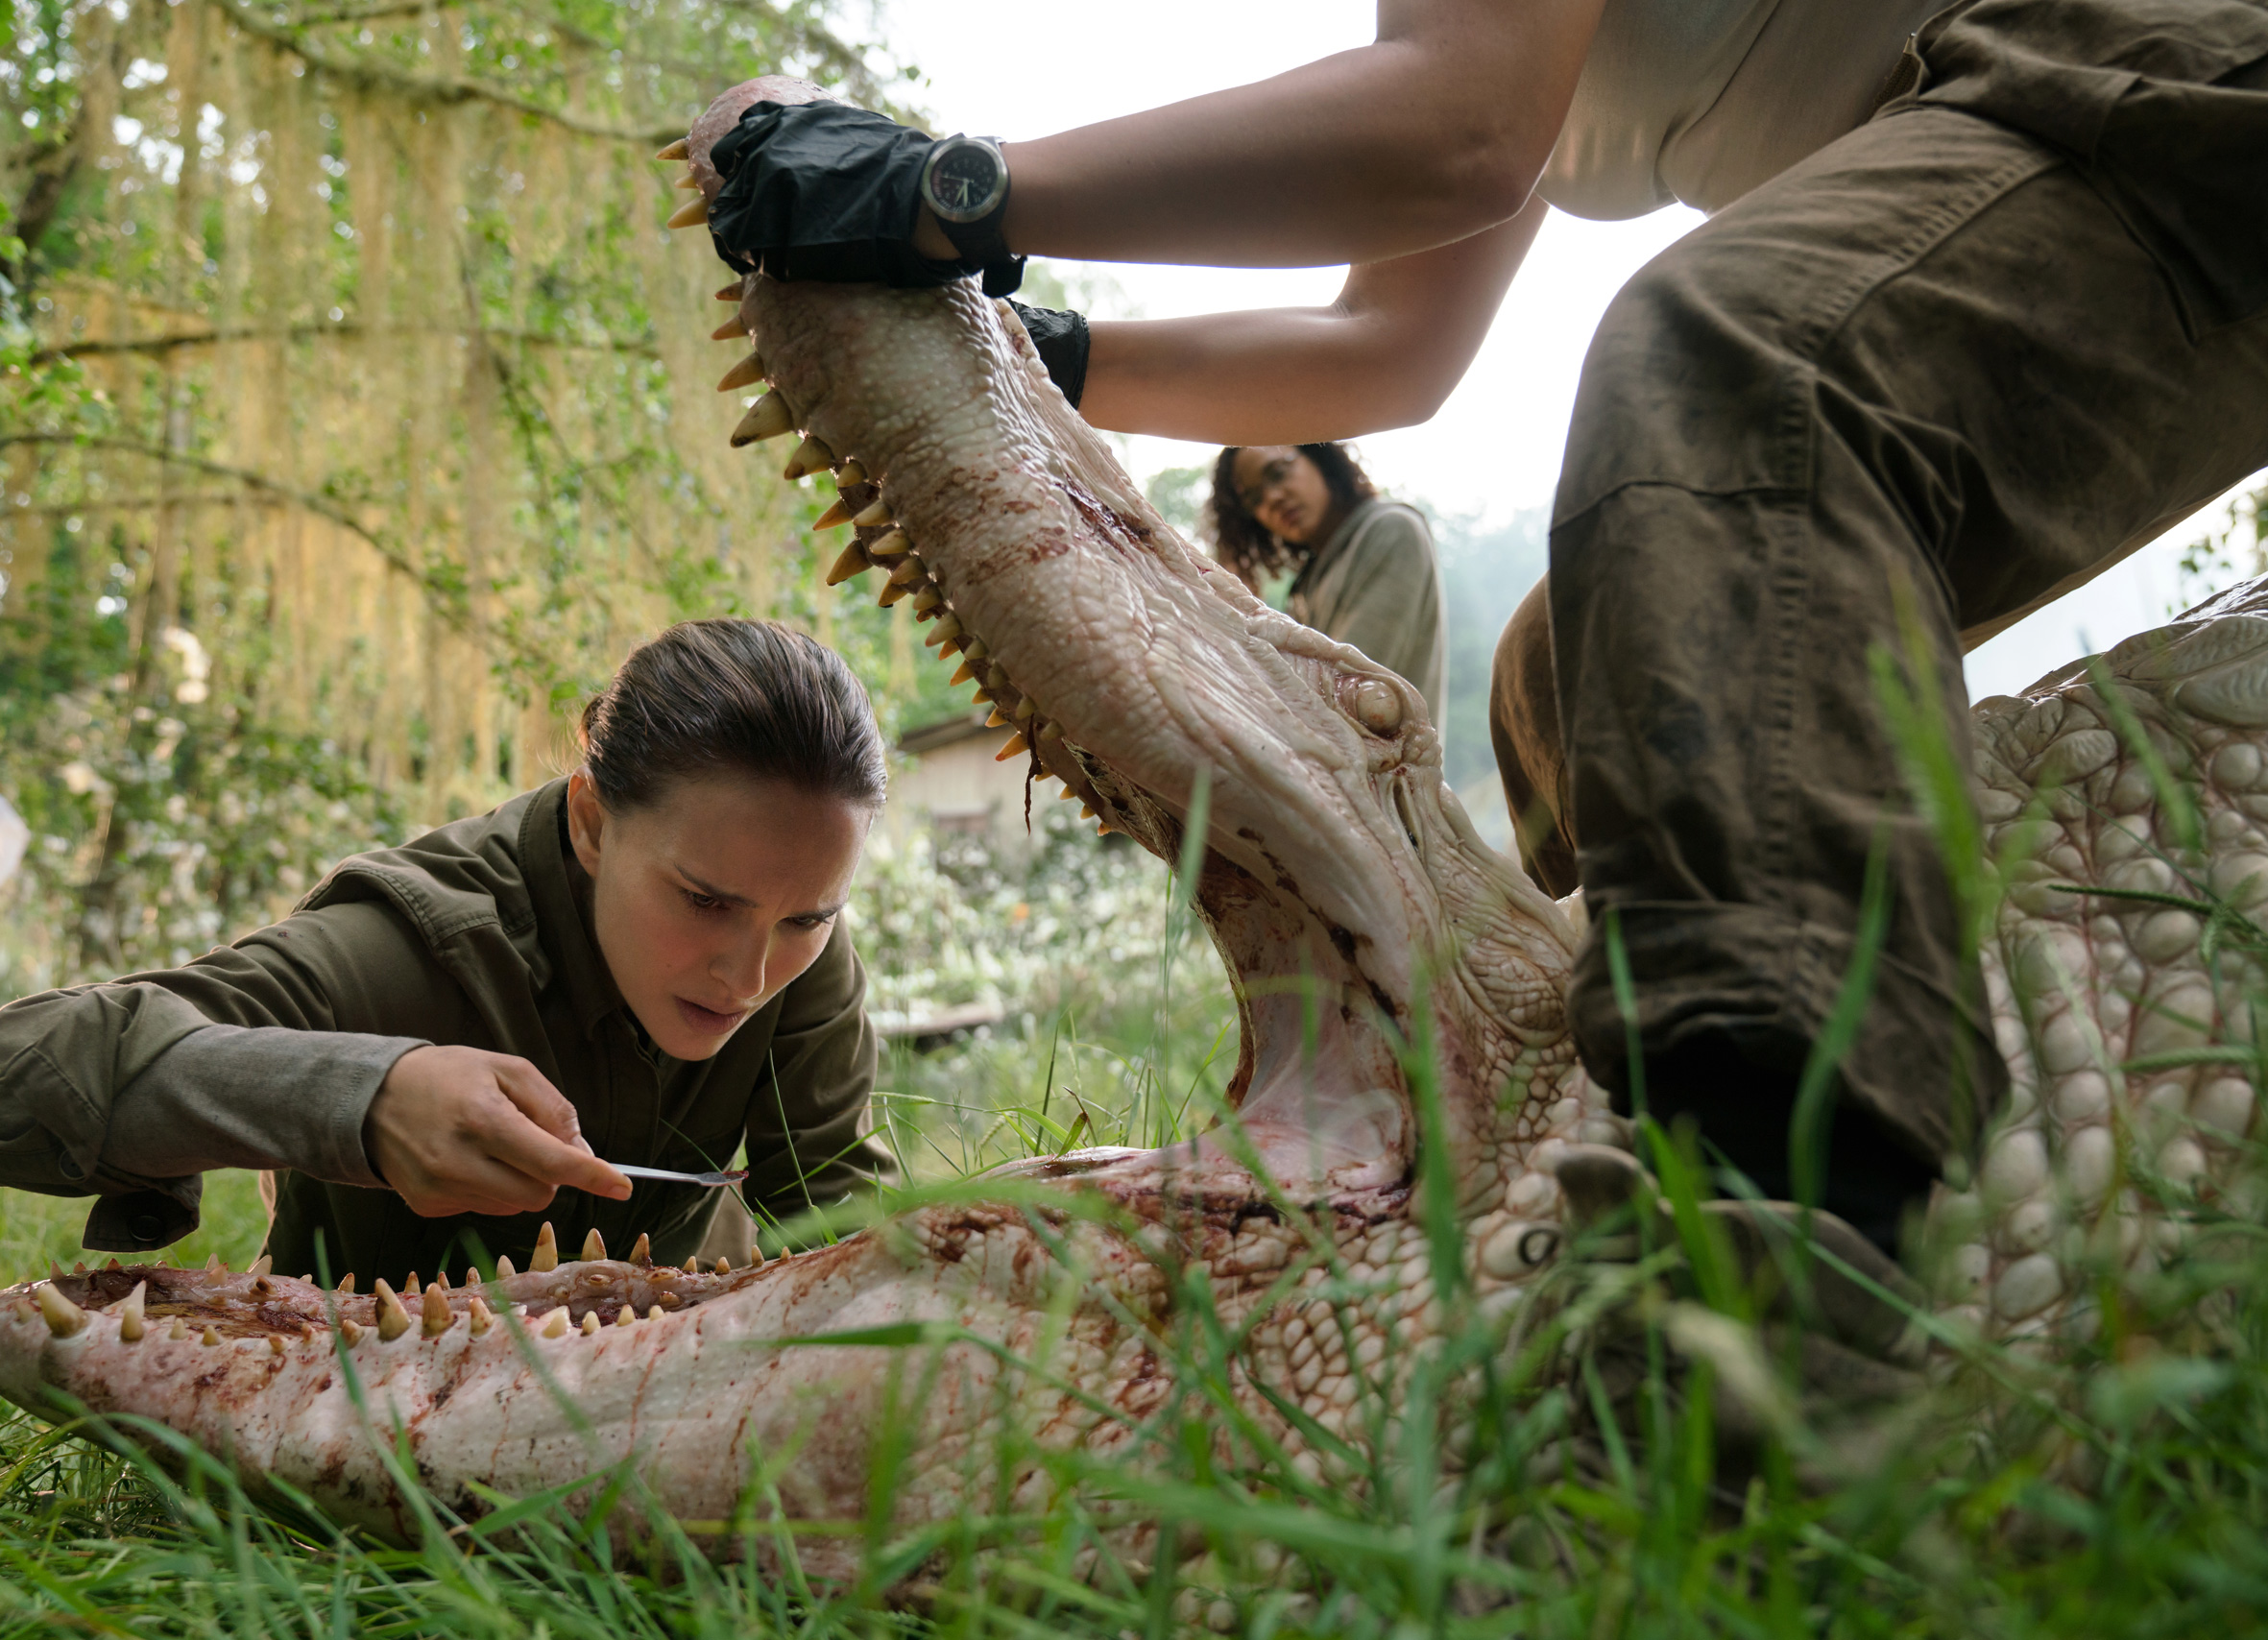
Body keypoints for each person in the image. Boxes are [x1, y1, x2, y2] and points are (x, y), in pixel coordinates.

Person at [694, 0, 2268, 1256]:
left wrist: (947, 191)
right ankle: (1574, 1108)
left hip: (2151, 69)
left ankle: (1769, 1238)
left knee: (1722, 364)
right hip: (2004, 149)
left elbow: (1448, 132)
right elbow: (1388, 346)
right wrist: (1039, 356)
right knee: (1579, 661)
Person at [0, 619, 894, 1285]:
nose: (749, 976)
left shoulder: (799, 944)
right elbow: (20, 1065)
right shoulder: (411, 945)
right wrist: (360, 1100)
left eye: (807, 920)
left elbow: (843, 1232)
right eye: (705, 902)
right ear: (591, 820)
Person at [1210, 443, 1446, 721]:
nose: (1271, 498)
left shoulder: (1392, 530)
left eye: (1277, 473)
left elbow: (1348, 694)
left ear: (1318, 457)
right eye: (1254, 499)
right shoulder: (1310, 580)